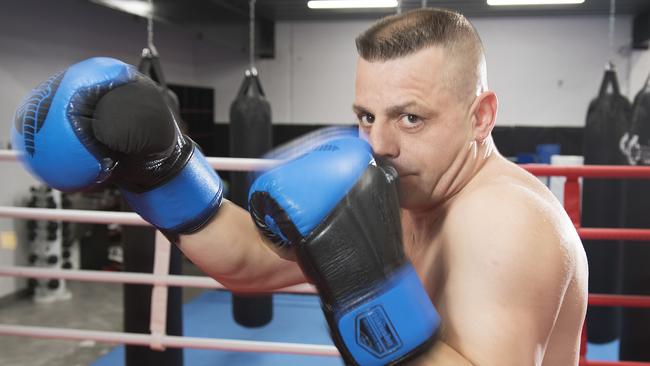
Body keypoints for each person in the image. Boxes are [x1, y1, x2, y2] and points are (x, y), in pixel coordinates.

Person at [11, 8, 587, 366]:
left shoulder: (504, 221)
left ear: (481, 115)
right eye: (366, 115)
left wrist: (367, 293)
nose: (380, 143)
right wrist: (163, 169)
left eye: (411, 118)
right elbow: (248, 264)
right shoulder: (401, 188)